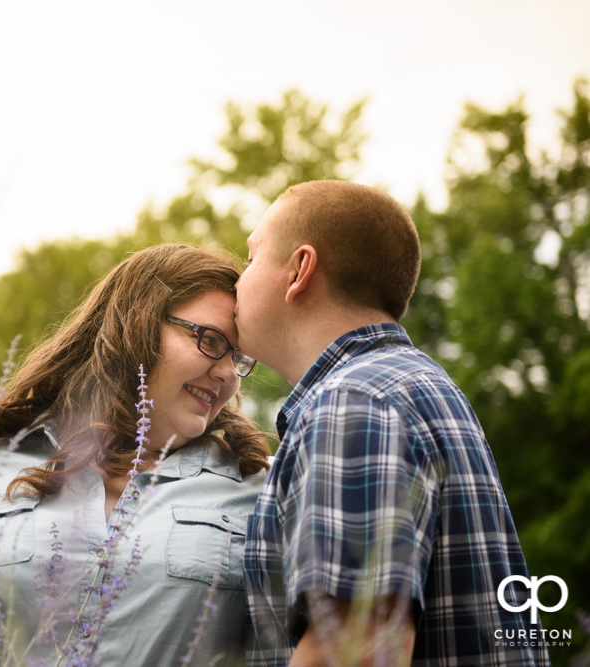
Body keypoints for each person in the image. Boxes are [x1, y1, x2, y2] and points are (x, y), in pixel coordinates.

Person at [0, 243, 275, 666]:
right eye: (210, 340)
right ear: (137, 327)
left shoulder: (261, 491)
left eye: (239, 358)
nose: (226, 372)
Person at [234, 180, 550, 666]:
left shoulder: (354, 402)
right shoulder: (415, 385)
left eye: (251, 256)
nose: (239, 277)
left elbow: (358, 649)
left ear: (299, 270)